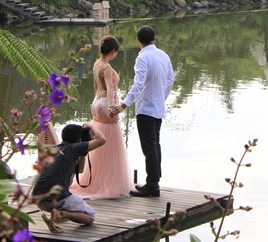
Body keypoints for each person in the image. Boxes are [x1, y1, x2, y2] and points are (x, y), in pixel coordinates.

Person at [110, 25, 175, 197]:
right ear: (154, 39)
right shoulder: (163, 55)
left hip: (146, 108)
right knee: (155, 145)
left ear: (138, 40)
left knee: (149, 147)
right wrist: (162, 98)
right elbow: (171, 80)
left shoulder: (143, 58)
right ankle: (153, 181)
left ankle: (153, 185)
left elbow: (138, 84)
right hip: (158, 108)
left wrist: (123, 105)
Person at [70, 35, 132, 199]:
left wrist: (98, 103)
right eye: (116, 52)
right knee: (110, 141)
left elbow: (95, 86)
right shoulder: (107, 67)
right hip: (105, 103)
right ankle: (107, 180)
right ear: (112, 51)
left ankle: (95, 178)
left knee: (98, 137)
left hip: (96, 102)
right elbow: (110, 89)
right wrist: (112, 107)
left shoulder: (96, 64)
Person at [32, 123, 106, 233]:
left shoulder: (54, 149)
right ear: (79, 139)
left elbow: (80, 169)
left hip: (38, 198)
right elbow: (102, 140)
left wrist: (83, 151)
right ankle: (62, 213)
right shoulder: (74, 148)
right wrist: (92, 126)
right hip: (57, 198)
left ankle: (57, 212)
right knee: (90, 217)